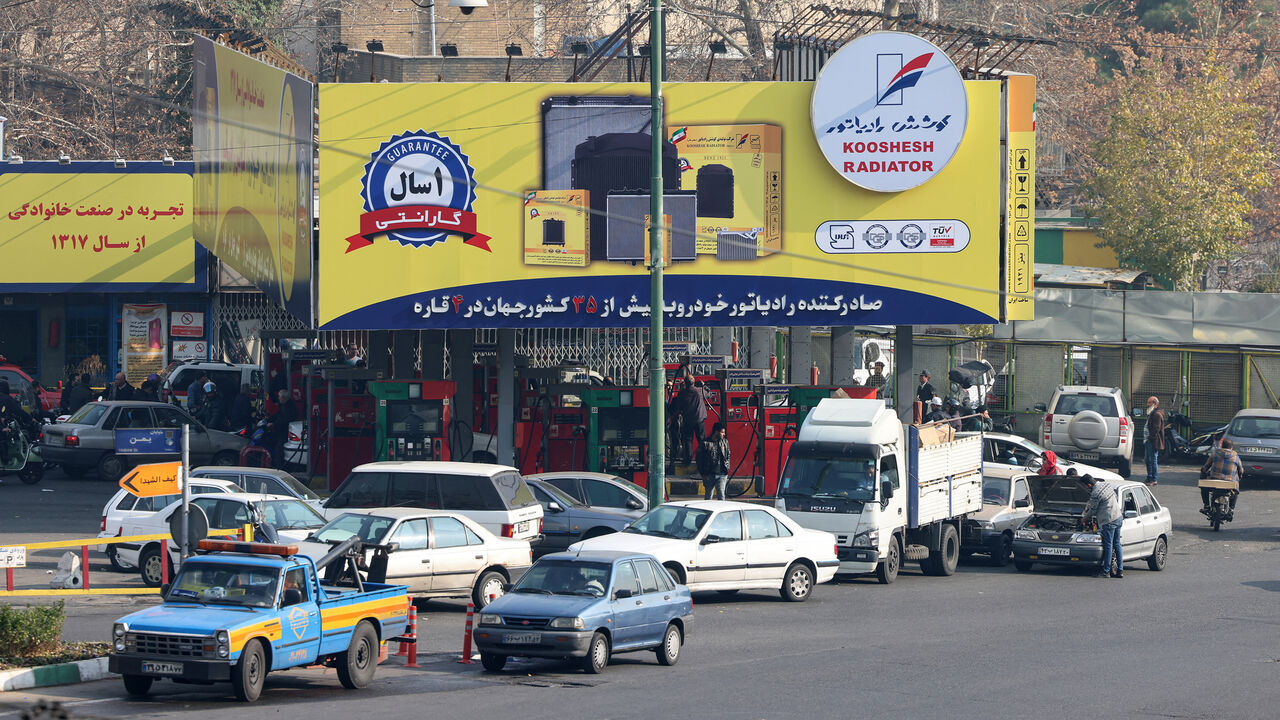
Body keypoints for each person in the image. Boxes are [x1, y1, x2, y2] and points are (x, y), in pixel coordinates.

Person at [1080, 474, 1124, 578]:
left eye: (1085, 486)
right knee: (1117, 544)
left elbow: (1093, 509)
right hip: (1118, 517)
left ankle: (1106, 571)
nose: (1086, 488)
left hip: (1108, 521)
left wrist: (1084, 518)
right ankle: (1120, 570)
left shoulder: (1096, 493)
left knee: (1108, 546)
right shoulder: (1107, 485)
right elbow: (1115, 497)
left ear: (1089, 484)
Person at [1200, 438, 1242, 516]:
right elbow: (1241, 470)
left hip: (1214, 481)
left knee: (1204, 488)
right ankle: (1231, 509)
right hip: (1230, 483)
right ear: (1231, 447)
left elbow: (1205, 467)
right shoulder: (1236, 456)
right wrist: (1239, 477)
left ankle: (1206, 506)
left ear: (1222, 446)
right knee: (1235, 492)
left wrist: (1203, 474)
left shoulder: (1214, 454)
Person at [0, 379, 36, 467]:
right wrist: (30, 419)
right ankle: (5, 459)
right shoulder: (6, 398)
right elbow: (18, 410)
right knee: (3, 439)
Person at [675, 378, 708, 464]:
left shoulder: (682, 393)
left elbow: (679, 406)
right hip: (699, 419)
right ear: (693, 382)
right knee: (701, 440)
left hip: (687, 420)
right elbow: (708, 394)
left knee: (688, 440)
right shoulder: (699, 391)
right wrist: (704, 385)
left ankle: (688, 459)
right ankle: (704, 459)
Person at [697, 422, 731, 500]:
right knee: (708, 495)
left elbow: (728, 455)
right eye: (722, 432)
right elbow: (699, 459)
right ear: (716, 432)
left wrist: (727, 467)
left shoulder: (725, 442)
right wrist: (703, 473)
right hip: (709, 474)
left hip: (722, 473)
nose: (724, 434)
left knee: (721, 495)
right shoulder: (705, 443)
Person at [266, 389, 297, 469]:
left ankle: (280, 467)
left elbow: (285, 420)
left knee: (279, 449)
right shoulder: (283, 405)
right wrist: (268, 419)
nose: (278, 398)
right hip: (279, 430)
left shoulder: (289, 407)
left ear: (284, 398)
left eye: (279, 397)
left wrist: (273, 424)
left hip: (285, 432)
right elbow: (278, 414)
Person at [1143, 395, 1166, 486]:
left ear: (1155, 404)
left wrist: (1150, 438)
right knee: (1147, 460)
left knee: (1152, 460)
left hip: (1152, 441)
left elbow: (1156, 429)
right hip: (1148, 440)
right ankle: (1149, 477)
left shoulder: (1156, 414)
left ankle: (1153, 479)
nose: (1147, 404)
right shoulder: (1152, 413)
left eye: (1149, 403)